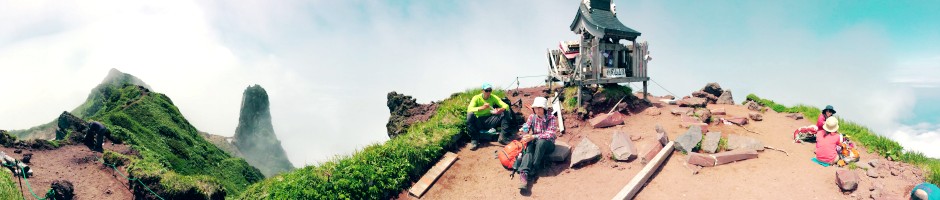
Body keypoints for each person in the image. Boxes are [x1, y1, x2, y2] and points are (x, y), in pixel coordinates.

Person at [515, 97, 557, 190]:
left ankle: (534, 168)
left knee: (541, 142)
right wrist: (524, 131)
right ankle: (524, 173)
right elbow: (527, 126)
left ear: (544, 108)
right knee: (529, 145)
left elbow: (550, 134)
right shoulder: (532, 117)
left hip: (548, 144)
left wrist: (533, 136)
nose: (537, 110)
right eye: (535, 108)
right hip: (535, 141)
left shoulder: (551, 118)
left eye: (540, 108)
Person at [465, 83, 511, 150]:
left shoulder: (493, 97)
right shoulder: (476, 98)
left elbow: (506, 106)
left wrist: (501, 109)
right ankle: (474, 140)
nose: (488, 92)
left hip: (489, 120)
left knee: (506, 112)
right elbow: (470, 109)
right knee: (470, 115)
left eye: (490, 90)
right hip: (479, 121)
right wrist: (482, 107)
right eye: (486, 90)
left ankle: (503, 138)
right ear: (482, 91)